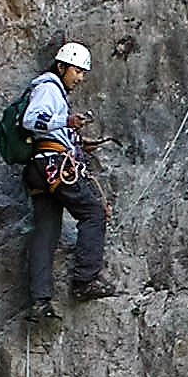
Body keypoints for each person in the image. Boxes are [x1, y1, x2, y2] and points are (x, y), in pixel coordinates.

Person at [21, 41, 116, 321]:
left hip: (39, 169)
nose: (80, 77)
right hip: (52, 165)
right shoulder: (49, 87)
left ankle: (40, 301)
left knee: (46, 232)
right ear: (62, 66)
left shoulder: (52, 90)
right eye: (77, 71)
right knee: (93, 212)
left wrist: (76, 141)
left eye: (83, 73)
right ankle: (85, 281)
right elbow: (32, 121)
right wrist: (66, 121)